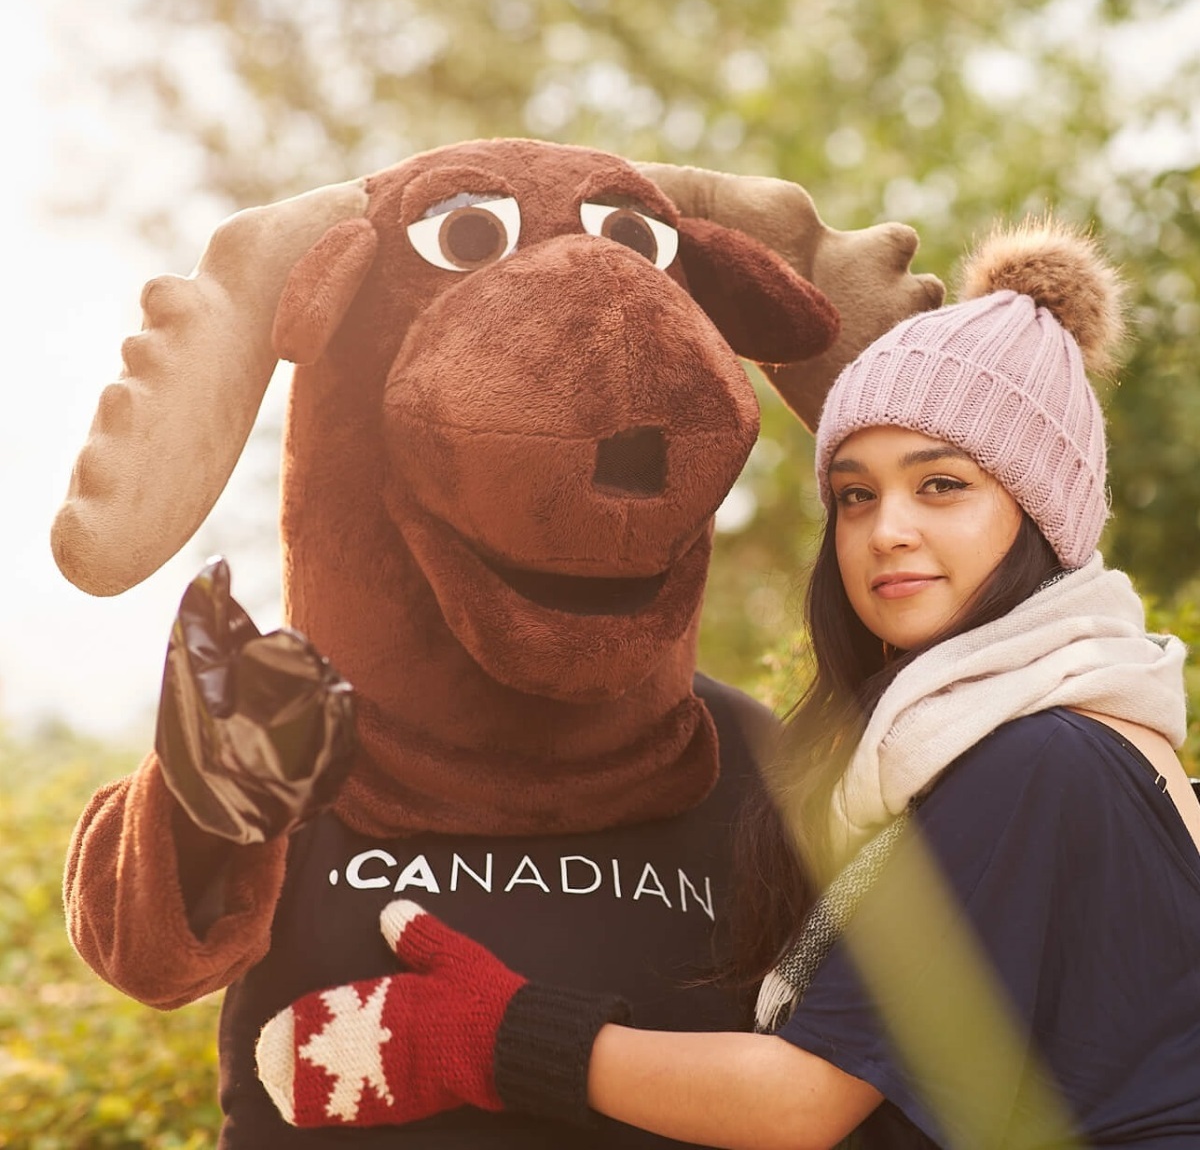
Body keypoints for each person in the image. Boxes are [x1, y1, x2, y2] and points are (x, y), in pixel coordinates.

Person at [254, 219, 1199, 1148]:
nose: (887, 530)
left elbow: (799, 1105)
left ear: (1042, 513)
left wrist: (487, 1036)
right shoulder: (1080, 731)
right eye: (855, 494)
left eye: (942, 485)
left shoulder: (1037, 758)